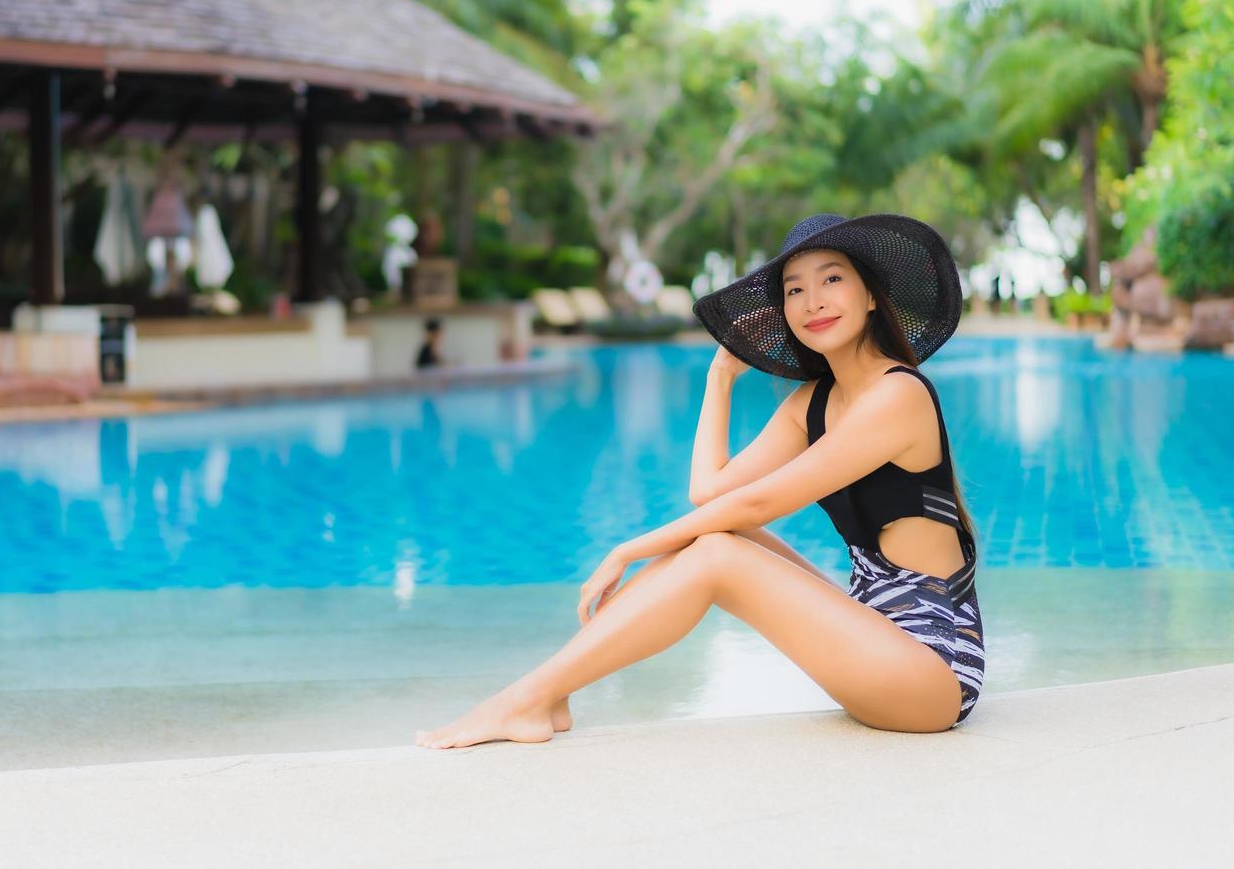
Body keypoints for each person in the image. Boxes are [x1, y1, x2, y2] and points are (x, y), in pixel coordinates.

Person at [415, 211, 983, 749]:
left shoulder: (898, 394)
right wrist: (721, 373)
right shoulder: (813, 402)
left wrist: (628, 549)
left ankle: (527, 698)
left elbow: (758, 501)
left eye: (832, 279)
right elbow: (711, 493)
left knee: (719, 553)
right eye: (794, 289)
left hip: (932, 671)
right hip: (872, 635)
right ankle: (553, 694)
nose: (813, 301)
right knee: (719, 538)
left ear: (871, 296)